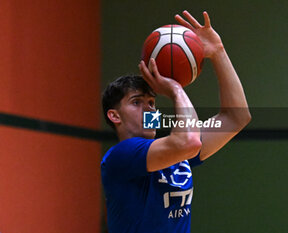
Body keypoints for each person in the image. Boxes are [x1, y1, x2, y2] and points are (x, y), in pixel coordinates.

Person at [101, 10, 251, 233]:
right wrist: (175, 88)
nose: (149, 108)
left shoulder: (174, 153)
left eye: (152, 102)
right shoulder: (121, 156)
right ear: (114, 116)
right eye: (136, 102)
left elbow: (236, 118)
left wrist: (218, 53)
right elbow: (189, 142)